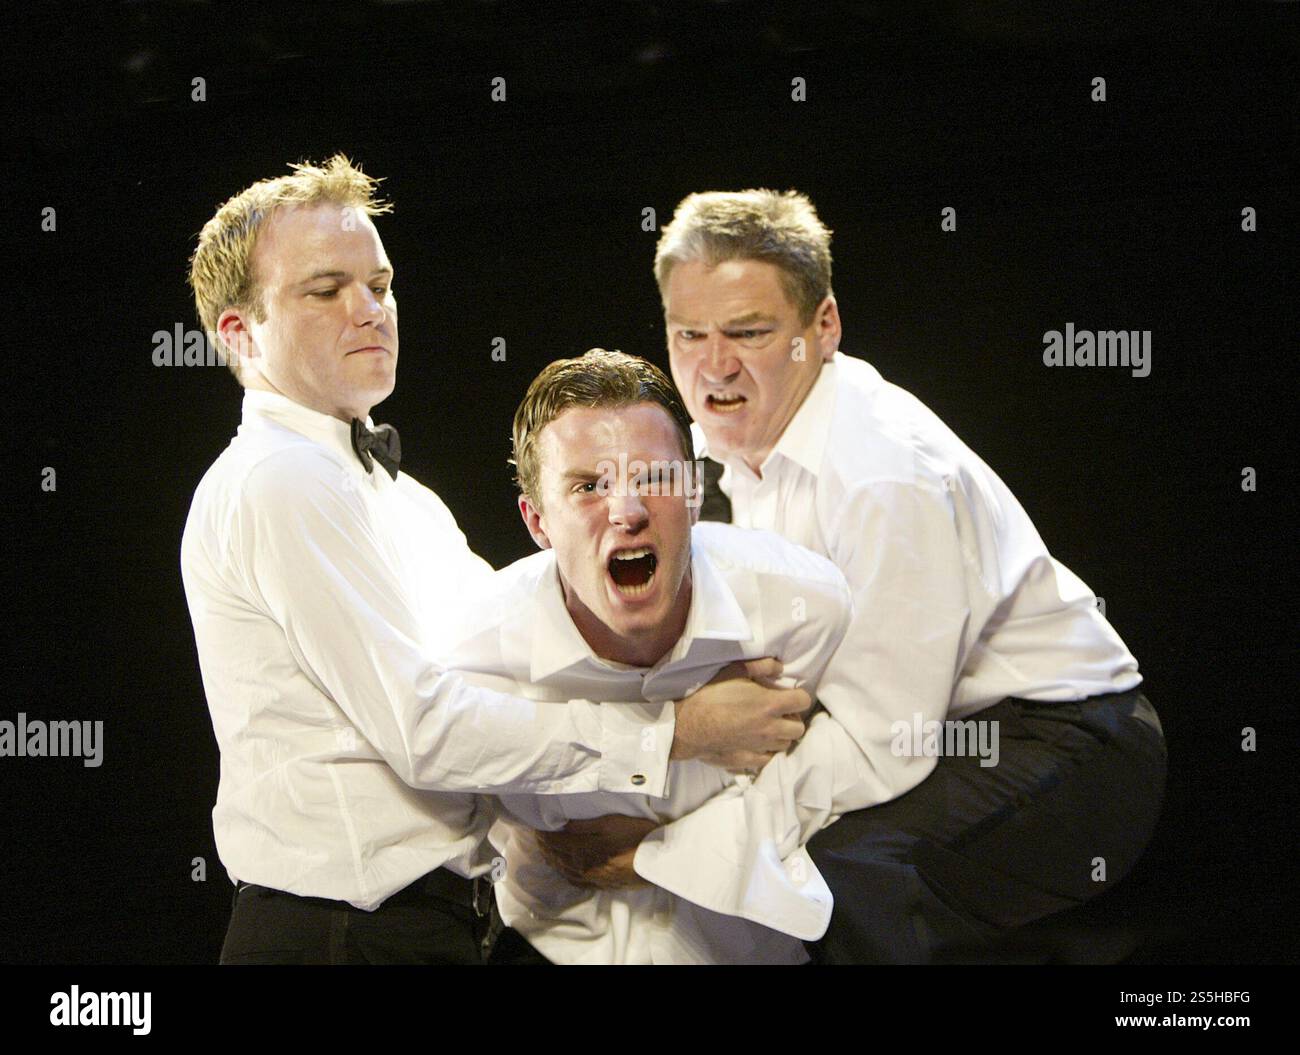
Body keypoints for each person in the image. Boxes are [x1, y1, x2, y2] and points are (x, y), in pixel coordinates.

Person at [179, 158, 811, 965]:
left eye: (380, 283)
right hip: (339, 936)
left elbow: (514, 677)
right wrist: (675, 732)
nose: (369, 309)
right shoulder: (279, 479)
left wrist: (558, 829)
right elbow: (427, 730)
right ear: (240, 331)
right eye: (325, 289)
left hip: (429, 926)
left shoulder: (406, 501)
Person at [564, 189, 1168, 964]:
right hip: (941, 731)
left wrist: (676, 845)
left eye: (748, 332)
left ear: (824, 327)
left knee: (832, 877)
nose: (713, 365)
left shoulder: (883, 475)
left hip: (1075, 749)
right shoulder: (727, 451)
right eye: (690, 334)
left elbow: (884, 740)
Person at [437, 349, 853, 964]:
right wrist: (682, 732)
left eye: (653, 478)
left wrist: (660, 856)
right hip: (548, 951)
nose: (627, 512)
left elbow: (843, 782)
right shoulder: (473, 657)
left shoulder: (802, 608)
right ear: (538, 521)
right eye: (588, 486)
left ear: (693, 493)